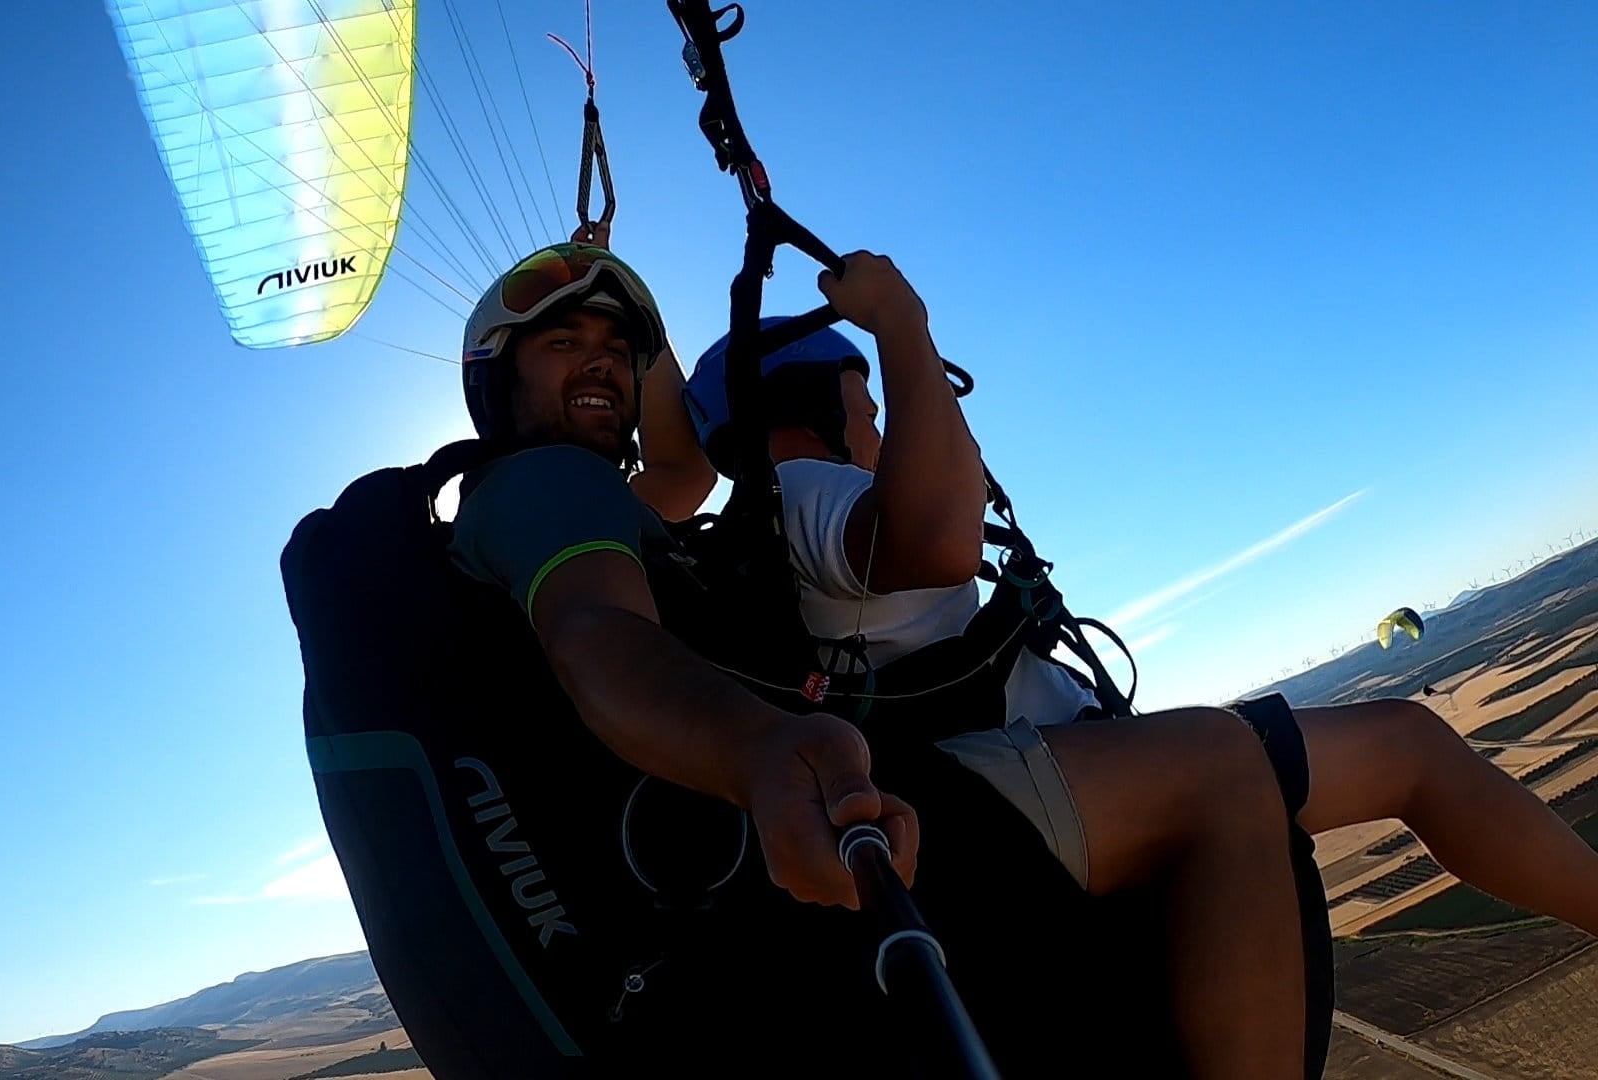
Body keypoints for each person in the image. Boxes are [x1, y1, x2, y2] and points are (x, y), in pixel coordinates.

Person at [442, 240, 1322, 1078]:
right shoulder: (549, 486)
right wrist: (756, 750)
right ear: (494, 376)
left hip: (752, 863)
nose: (601, 364)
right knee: (1219, 762)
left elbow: (684, 466)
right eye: (564, 344)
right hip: (798, 832)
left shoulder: (601, 502)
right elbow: (598, 634)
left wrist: (607, 280)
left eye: (615, 351)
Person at [681, 255, 1598, 950]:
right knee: (1405, 748)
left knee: (1404, 746)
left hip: (1052, 773)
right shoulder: (800, 488)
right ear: (804, 411)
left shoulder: (785, 516)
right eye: (868, 411)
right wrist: (902, 328)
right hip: (1033, 786)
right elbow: (938, 539)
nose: (881, 430)